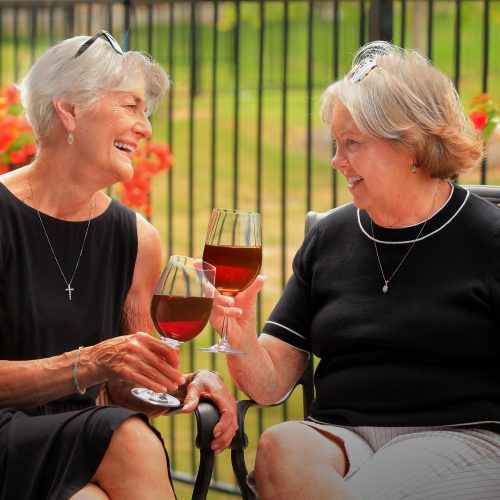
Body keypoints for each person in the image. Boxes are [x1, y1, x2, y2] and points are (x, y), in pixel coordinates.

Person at [211, 41, 500, 499]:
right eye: (336, 143)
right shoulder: (331, 236)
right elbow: (270, 386)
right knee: (280, 444)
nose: (336, 161)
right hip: (341, 436)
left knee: (376, 484)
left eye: (352, 144)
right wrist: (239, 335)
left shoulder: (488, 237)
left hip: (459, 436)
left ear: (412, 145)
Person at [0, 31, 237, 500]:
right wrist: (89, 363)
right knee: (125, 435)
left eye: (145, 111)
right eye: (130, 106)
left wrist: (182, 387)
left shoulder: (137, 239)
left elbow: (129, 388)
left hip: (87, 437)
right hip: (14, 438)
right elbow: (104, 374)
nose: (146, 128)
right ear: (70, 109)